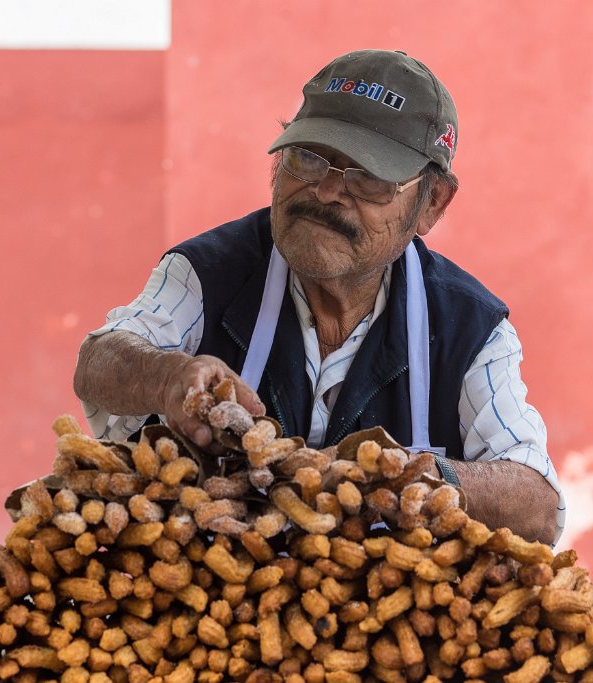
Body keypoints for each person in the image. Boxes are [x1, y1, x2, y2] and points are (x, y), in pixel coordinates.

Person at [73, 49, 565, 545]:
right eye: (309, 157)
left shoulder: (469, 327)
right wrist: (167, 376)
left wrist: (419, 476)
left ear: (431, 204)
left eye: (369, 176)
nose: (328, 190)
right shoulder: (208, 272)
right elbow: (99, 361)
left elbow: (538, 506)